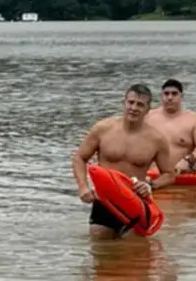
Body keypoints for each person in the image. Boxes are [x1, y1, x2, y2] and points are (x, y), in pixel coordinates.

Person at [72, 84, 178, 238]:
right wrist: (83, 187)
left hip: (136, 202)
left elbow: (169, 174)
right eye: (131, 102)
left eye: (140, 104)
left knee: (134, 254)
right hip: (105, 202)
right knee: (100, 251)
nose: (134, 108)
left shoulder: (156, 139)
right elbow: (79, 158)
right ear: (124, 103)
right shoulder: (103, 129)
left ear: (148, 109)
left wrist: (150, 185)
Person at [145, 78, 196, 174]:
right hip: (152, 174)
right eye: (166, 94)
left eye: (174, 94)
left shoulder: (194, 119)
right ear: (161, 96)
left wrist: (188, 160)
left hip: (181, 175)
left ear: (181, 96)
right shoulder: (148, 117)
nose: (170, 97)